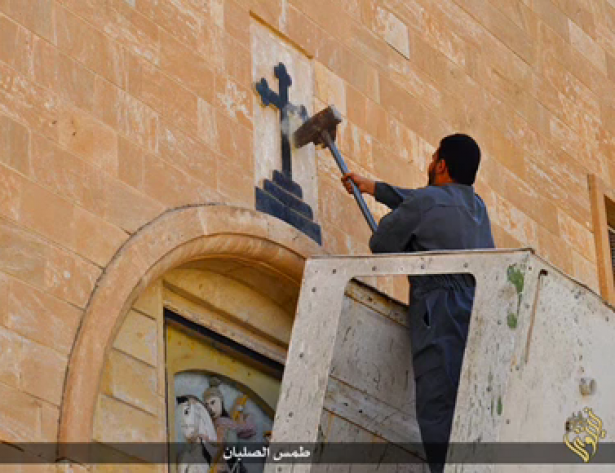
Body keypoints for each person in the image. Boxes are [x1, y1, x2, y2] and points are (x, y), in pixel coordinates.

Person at [342, 133, 495, 473]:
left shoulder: (426, 203)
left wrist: (399, 228)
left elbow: (381, 243)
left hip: (438, 312)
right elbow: (426, 201)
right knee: (466, 406)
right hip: (475, 312)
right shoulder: (477, 207)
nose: (429, 164)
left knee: (438, 407)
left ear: (441, 165)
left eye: (432, 158)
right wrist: (375, 188)